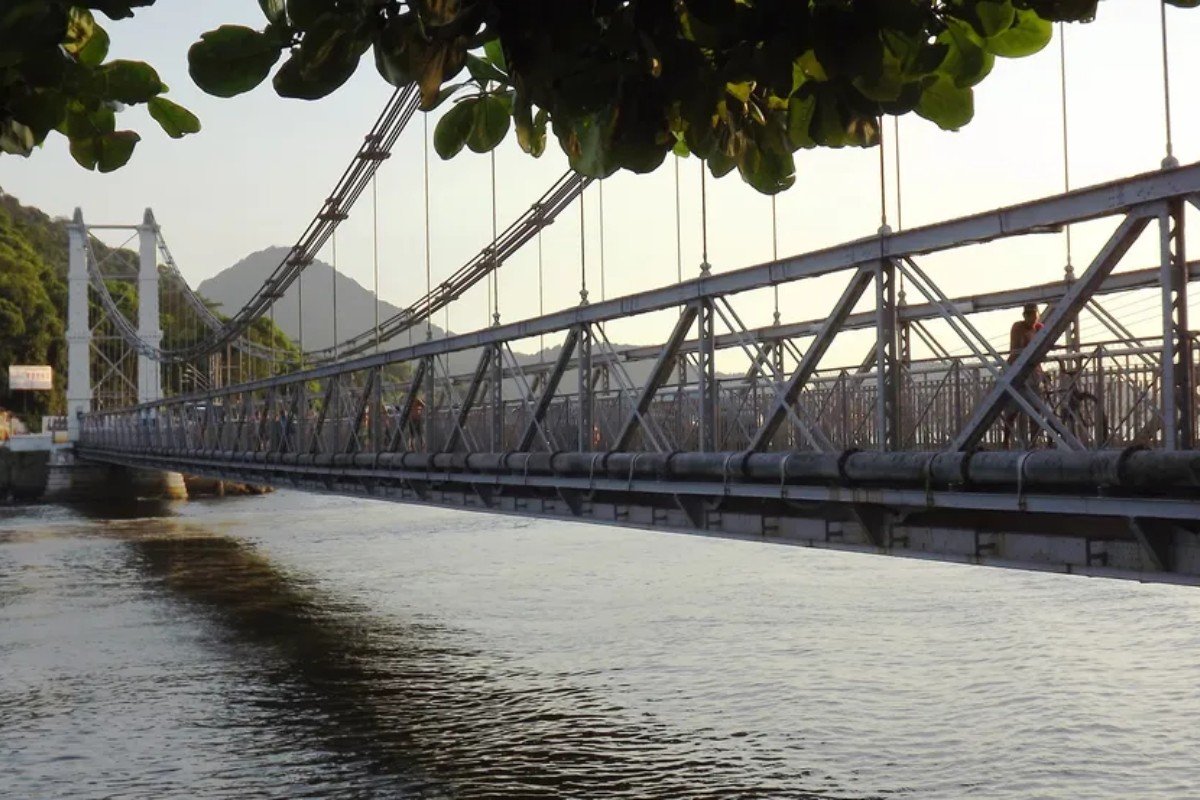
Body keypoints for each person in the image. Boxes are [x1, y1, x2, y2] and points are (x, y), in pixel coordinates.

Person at [1002, 304, 1045, 448]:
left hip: (1034, 372)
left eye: (1033, 314)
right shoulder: (1018, 327)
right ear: (1024, 316)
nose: (1031, 318)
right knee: (1013, 408)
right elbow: (1017, 347)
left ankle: (1034, 441)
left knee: (1037, 407)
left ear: (1037, 315)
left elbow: (1045, 345)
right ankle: (1006, 440)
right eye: (1028, 315)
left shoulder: (1039, 328)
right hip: (1017, 370)